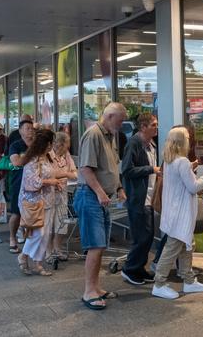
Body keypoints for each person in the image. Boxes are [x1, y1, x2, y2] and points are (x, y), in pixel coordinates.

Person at [74, 103, 127, 310]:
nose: (122, 125)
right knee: (95, 245)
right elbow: (86, 169)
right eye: (120, 120)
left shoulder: (109, 135)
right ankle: (88, 291)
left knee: (100, 245)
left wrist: (119, 187)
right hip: (90, 196)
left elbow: (112, 166)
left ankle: (96, 287)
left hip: (101, 197)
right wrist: (100, 192)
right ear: (110, 116)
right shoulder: (93, 134)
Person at [151, 126, 203, 299]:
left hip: (173, 212)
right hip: (181, 215)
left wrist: (190, 168)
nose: (190, 140)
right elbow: (193, 187)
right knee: (173, 248)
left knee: (187, 245)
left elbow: (180, 181)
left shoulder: (170, 160)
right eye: (187, 138)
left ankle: (189, 280)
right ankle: (159, 283)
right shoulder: (182, 161)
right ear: (182, 142)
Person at [121, 113, 161, 285]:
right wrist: (150, 169)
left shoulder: (151, 144)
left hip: (149, 197)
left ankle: (139, 268)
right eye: (153, 125)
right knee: (142, 236)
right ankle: (130, 269)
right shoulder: (134, 143)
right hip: (138, 198)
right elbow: (127, 170)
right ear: (143, 127)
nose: (156, 127)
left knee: (149, 235)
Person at [17, 129, 61, 276]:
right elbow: (32, 182)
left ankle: (38, 263)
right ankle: (23, 256)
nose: (52, 146)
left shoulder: (47, 157)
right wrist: (51, 181)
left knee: (45, 234)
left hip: (48, 200)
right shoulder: (32, 159)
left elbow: (51, 175)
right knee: (39, 234)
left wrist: (55, 182)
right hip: (34, 202)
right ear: (45, 144)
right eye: (50, 143)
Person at [8, 119, 35, 253]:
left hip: (35, 184)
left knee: (34, 212)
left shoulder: (37, 145)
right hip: (19, 182)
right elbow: (17, 162)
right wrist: (31, 156)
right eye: (27, 128)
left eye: (32, 128)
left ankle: (31, 239)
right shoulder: (15, 145)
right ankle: (12, 237)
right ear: (20, 131)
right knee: (16, 212)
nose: (30, 130)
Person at [50, 131, 77, 260]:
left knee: (62, 223)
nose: (69, 146)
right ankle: (48, 252)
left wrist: (69, 173)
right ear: (60, 144)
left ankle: (58, 249)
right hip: (50, 193)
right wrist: (66, 174)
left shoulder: (66, 155)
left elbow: (74, 170)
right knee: (49, 224)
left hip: (63, 192)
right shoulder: (48, 154)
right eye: (67, 144)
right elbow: (48, 173)